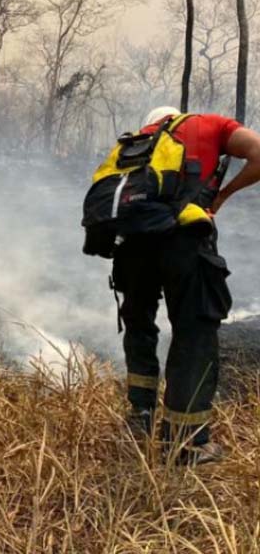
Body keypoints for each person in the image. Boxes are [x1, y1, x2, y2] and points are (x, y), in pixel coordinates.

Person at [113, 106, 260, 464]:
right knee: (193, 332)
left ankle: (140, 416)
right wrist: (223, 194)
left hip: (132, 245)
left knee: (139, 324)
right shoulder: (209, 125)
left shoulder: (138, 140)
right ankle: (187, 443)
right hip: (182, 240)